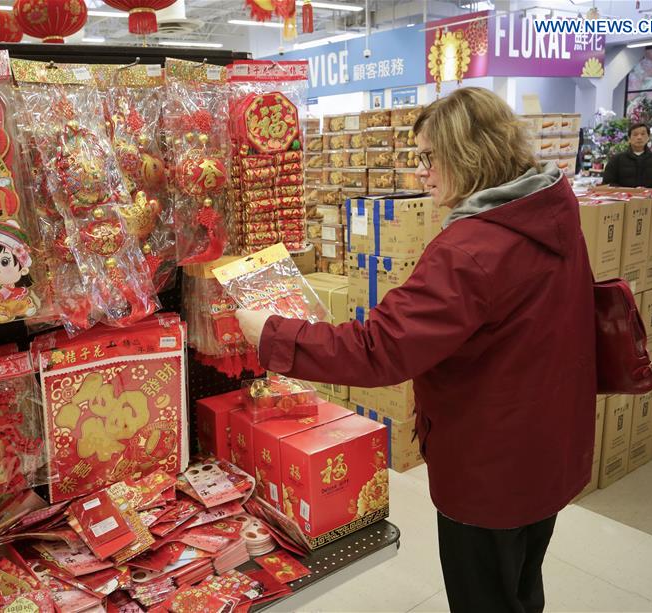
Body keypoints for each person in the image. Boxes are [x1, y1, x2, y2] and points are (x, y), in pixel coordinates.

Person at [236, 87, 596, 613]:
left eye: (429, 157)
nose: (420, 173)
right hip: (549, 448)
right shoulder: (551, 216)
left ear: (467, 153)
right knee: (521, 582)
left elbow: (382, 347)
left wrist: (272, 333)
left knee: (484, 596)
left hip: (489, 468)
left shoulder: (471, 248)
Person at [601, 123, 652, 188]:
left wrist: (647, 192)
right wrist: (629, 192)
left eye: (643, 134)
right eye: (635, 134)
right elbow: (608, 183)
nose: (639, 137)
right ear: (629, 139)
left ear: (648, 137)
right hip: (623, 197)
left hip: (650, 197)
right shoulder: (617, 159)